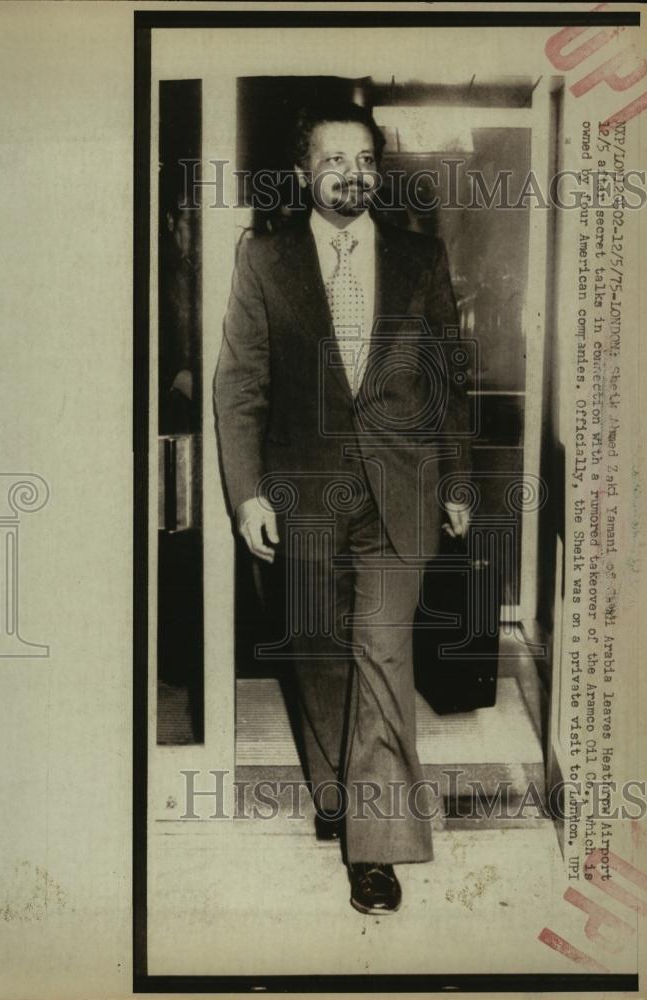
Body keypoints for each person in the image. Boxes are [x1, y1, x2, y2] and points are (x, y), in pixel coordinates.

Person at [214, 101, 472, 915]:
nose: (350, 174)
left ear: (377, 169)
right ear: (304, 172)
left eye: (363, 159)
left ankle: (378, 845)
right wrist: (247, 491)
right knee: (318, 658)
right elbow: (240, 384)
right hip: (303, 496)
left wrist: (458, 482)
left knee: (383, 660)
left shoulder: (420, 258)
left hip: (402, 491)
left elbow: (447, 383)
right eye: (333, 160)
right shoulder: (263, 258)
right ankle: (335, 793)